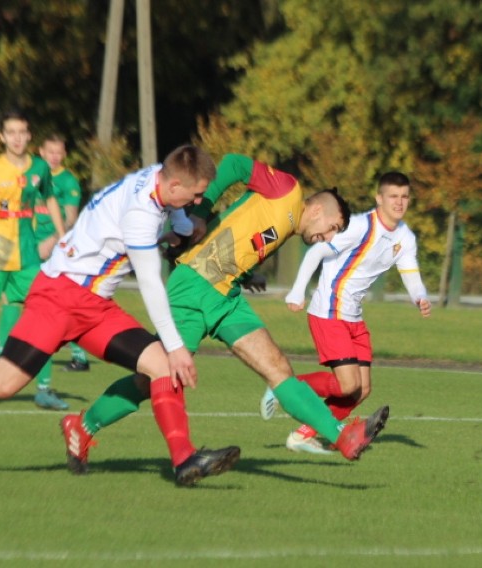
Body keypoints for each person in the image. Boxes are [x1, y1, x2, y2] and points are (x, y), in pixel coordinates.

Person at [63, 152, 390, 477]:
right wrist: (201, 212)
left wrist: (249, 275)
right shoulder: (288, 190)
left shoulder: (286, 226)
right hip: (193, 286)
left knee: (278, 369)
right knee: (152, 378)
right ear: (317, 210)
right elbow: (235, 163)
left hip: (225, 296)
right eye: (332, 228)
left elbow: (239, 237)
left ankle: (342, 437)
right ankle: (84, 425)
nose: (329, 238)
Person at [0, 144, 241, 487]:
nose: (197, 202)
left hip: (94, 306)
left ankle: (184, 459)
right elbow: (150, 282)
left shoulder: (157, 178)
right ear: (174, 185)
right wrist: (177, 345)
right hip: (58, 298)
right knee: (2, 384)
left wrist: (182, 223)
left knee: (161, 367)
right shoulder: (141, 213)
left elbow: (171, 216)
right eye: (195, 196)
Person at [263, 171, 431, 454]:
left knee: (361, 390)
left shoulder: (405, 237)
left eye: (404, 197)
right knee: (347, 384)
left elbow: (410, 271)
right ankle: (283, 386)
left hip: (354, 317)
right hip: (329, 311)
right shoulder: (359, 226)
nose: (399, 202)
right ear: (379, 198)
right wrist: (297, 291)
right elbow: (316, 252)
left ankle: (302, 436)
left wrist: (420, 297)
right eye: (393, 196)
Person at [0, 110, 67, 407]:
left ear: (29, 135)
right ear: (2, 136)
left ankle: (44, 389)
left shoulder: (40, 167)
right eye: (11, 132)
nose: (17, 138)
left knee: (43, 317)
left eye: (22, 132)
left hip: (28, 256)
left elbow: (49, 199)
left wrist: (62, 236)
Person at [35, 133, 91, 375]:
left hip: (55, 247)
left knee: (59, 303)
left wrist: (52, 239)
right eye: (50, 152)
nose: (55, 157)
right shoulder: (32, 176)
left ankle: (80, 355)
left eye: (59, 152)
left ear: (64, 154)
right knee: (20, 299)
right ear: (41, 152)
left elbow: (70, 218)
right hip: (29, 244)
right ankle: (9, 347)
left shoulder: (69, 181)